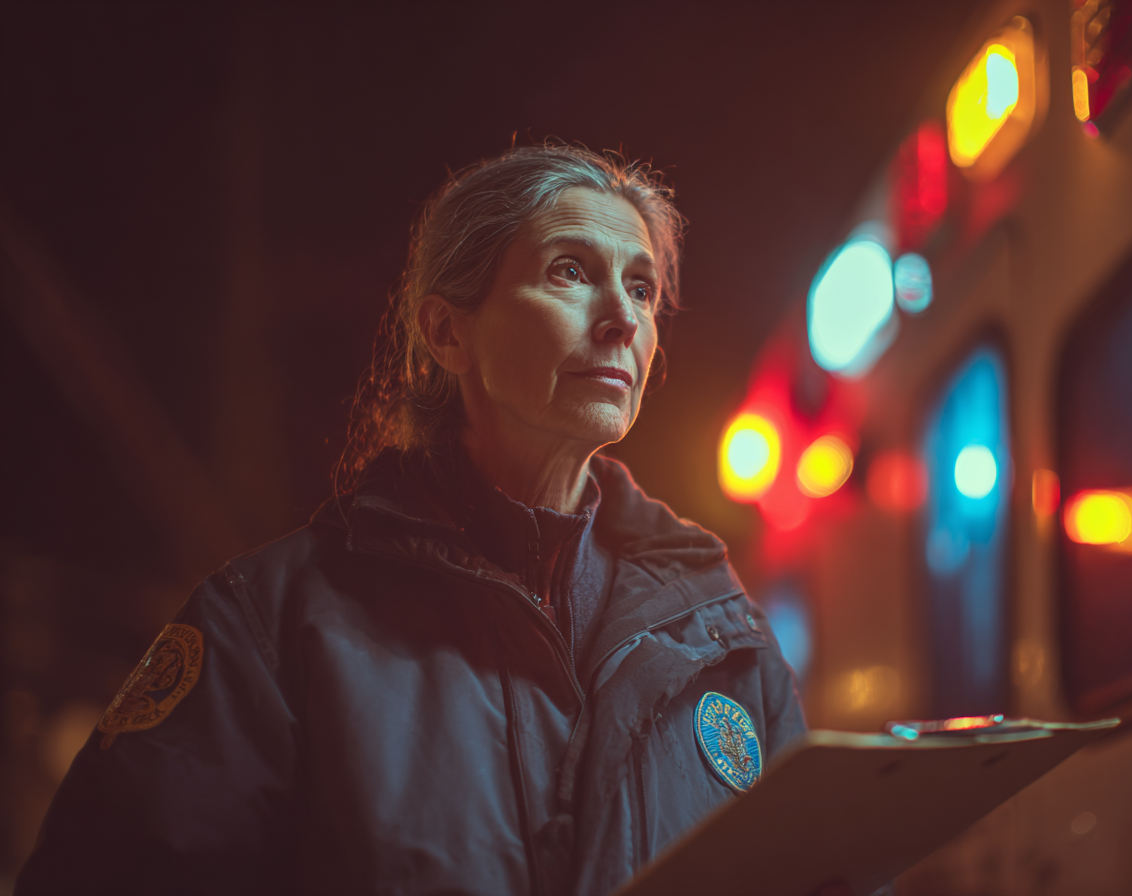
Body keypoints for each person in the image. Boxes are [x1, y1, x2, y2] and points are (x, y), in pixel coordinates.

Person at [16, 144, 807, 896]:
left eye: (640, 288)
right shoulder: (272, 626)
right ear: (446, 331)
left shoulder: (719, 632)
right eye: (571, 271)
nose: (623, 320)